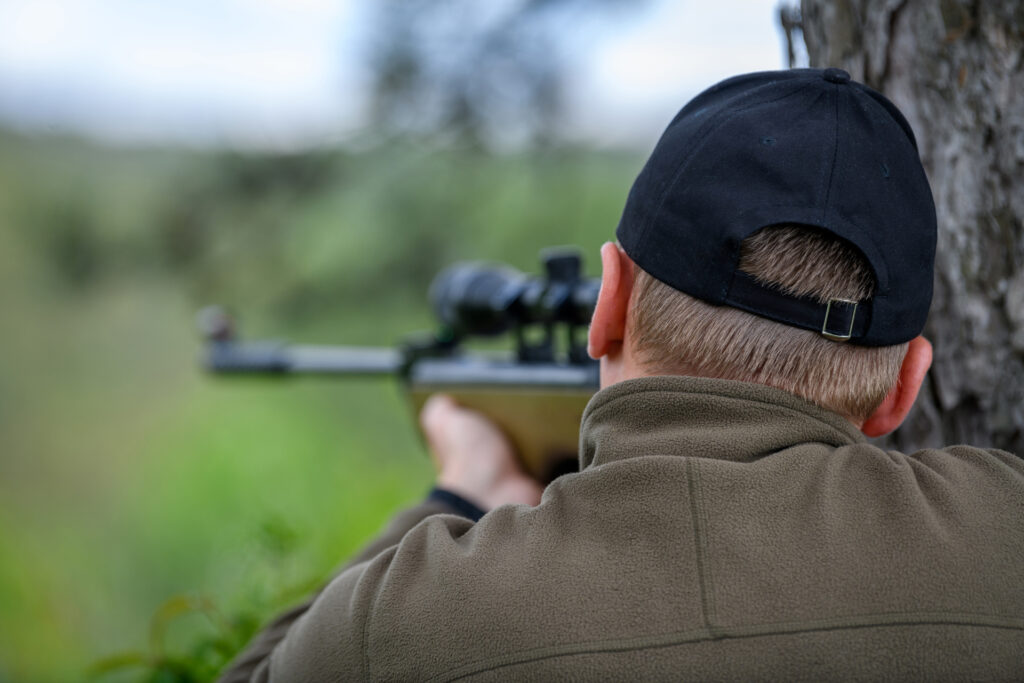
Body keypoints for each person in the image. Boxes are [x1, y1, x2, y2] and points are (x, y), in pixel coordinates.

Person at [220, 69, 1024, 682]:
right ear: (902, 386)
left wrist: (462, 489)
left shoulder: (410, 618)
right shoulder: (1003, 535)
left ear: (607, 303)